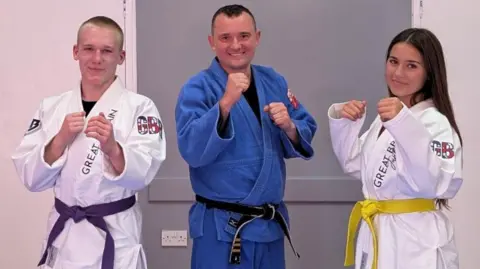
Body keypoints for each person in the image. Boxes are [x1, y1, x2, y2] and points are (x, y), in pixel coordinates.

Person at [11, 16, 166, 269]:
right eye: (89, 49)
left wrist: (113, 149)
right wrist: (59, 140)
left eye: (107, 51)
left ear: (121, 56)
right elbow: (30, 177)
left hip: (115, 233)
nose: (97, 59)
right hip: (65, 235)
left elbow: (144, 174)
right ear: (76, 52)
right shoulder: (51, 108)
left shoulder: (140, 108)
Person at [175, 4, 317, 269]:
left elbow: (305, 126)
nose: (236, 45)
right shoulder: (198, 87)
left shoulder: (273, 80)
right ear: (211, 42)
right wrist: (225, 103)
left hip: (268, 225)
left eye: (244, 36)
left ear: (257, 37)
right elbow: (191, 149)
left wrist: (288, 126)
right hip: (220, 227)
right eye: (225, 38)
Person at [328, 28, 463, 269]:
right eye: (393, 61)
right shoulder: (385, 119)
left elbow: (430, 182)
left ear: (429, 73)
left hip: (415, 239)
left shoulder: (435, 123)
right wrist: (345, 124)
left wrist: (403, 125)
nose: (398, 73)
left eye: (411, 66)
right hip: (380, 231)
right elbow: (355, 164)